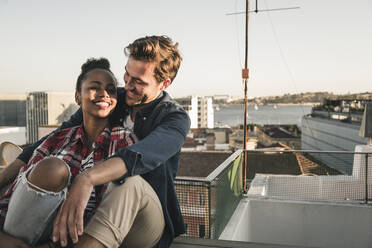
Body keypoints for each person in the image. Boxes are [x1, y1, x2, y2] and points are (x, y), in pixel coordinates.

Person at [0, 35, 190, 248]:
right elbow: (57, 135)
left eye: (138, 81)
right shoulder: (113, 98)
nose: (128, 85)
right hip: (96, 205)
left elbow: (140, 154)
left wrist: (87, 179)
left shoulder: (175, 118)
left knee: (129, 182)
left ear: (164, 83)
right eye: (127, 75)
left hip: (144, 217)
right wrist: (4, 176)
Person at [0, 57, 138, 247]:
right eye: (94, 87)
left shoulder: (124, 141)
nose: (104, 93)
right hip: (22, 229)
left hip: (73, 238)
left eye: (111, 89)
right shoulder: (57, 138)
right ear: (77, 97)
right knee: (54, 168)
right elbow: (20, 189)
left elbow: (110, 207)